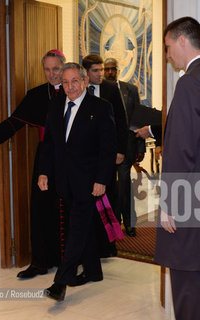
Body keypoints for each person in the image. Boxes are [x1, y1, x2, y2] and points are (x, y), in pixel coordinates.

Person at [0, 50, 65, 279]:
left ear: (63, 67)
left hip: (71, 160)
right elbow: (13, 123)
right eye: (47, 69)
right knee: (40, 210)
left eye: (55, 69)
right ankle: (40, 263)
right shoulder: (37, 95)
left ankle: (70, 261)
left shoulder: (75, 91)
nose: (51, 74)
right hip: (45, 160)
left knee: (69, 210)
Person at [153, 17, 200, 320]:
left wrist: (170, 203)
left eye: (169, 47)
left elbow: (182, 149)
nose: (168, 55)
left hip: (187, 205)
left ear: (183, 40)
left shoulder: (190, 82)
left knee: (188, 292)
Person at [38, 62, 116, 302]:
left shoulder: (101, 108)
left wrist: (102, 180)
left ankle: (60, 282)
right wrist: (44, 172)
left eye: (75, 81)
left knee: (77, 229)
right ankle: (93, 271)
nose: (70, 87)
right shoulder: (56, 104)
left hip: (89, 181)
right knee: (83, 227)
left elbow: (108, 147)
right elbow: (49, 142)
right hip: (64, 180)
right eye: (66, 82)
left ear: (84, 82)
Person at [82, 54, 127, 256]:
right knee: (89, 199)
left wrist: (120, 150)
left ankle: (110, 244)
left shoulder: (110, 88)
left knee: (110, 196)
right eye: (96, 71)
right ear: (86, 72)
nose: (101, 74)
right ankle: (92, 243)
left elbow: (121, 120)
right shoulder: (78, 89)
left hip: (108, 154)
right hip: (86, 157)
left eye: (101, 70)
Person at [103, 57, 145, 237]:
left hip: (127, 146)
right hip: (105, 148)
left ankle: (128, 222)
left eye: (113, 69)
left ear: (118, 70)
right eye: (107, 69)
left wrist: (141, 147)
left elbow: (138, 119)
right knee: (108, 187)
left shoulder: (130, 90)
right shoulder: (98, 91)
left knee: (125, 185)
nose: (110, 72)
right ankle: (111, 225)